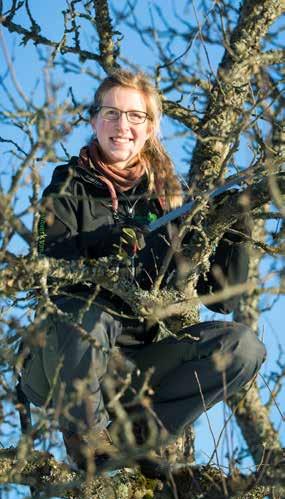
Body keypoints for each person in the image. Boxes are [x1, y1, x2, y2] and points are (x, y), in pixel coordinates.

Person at [20, 69, 266, 475]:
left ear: (150, 128)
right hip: (65, 359)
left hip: (133, 367)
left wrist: (235, 233)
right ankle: (88, 443)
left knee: (243, 347)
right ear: (94, 120)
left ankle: (137, 438)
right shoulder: (67, 186)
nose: (122, 126)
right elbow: (48, 265)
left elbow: (223, 297)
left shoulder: (170, 200)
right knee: (89, 313)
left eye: (135, 116)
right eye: (112, 113)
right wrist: (103, 245)